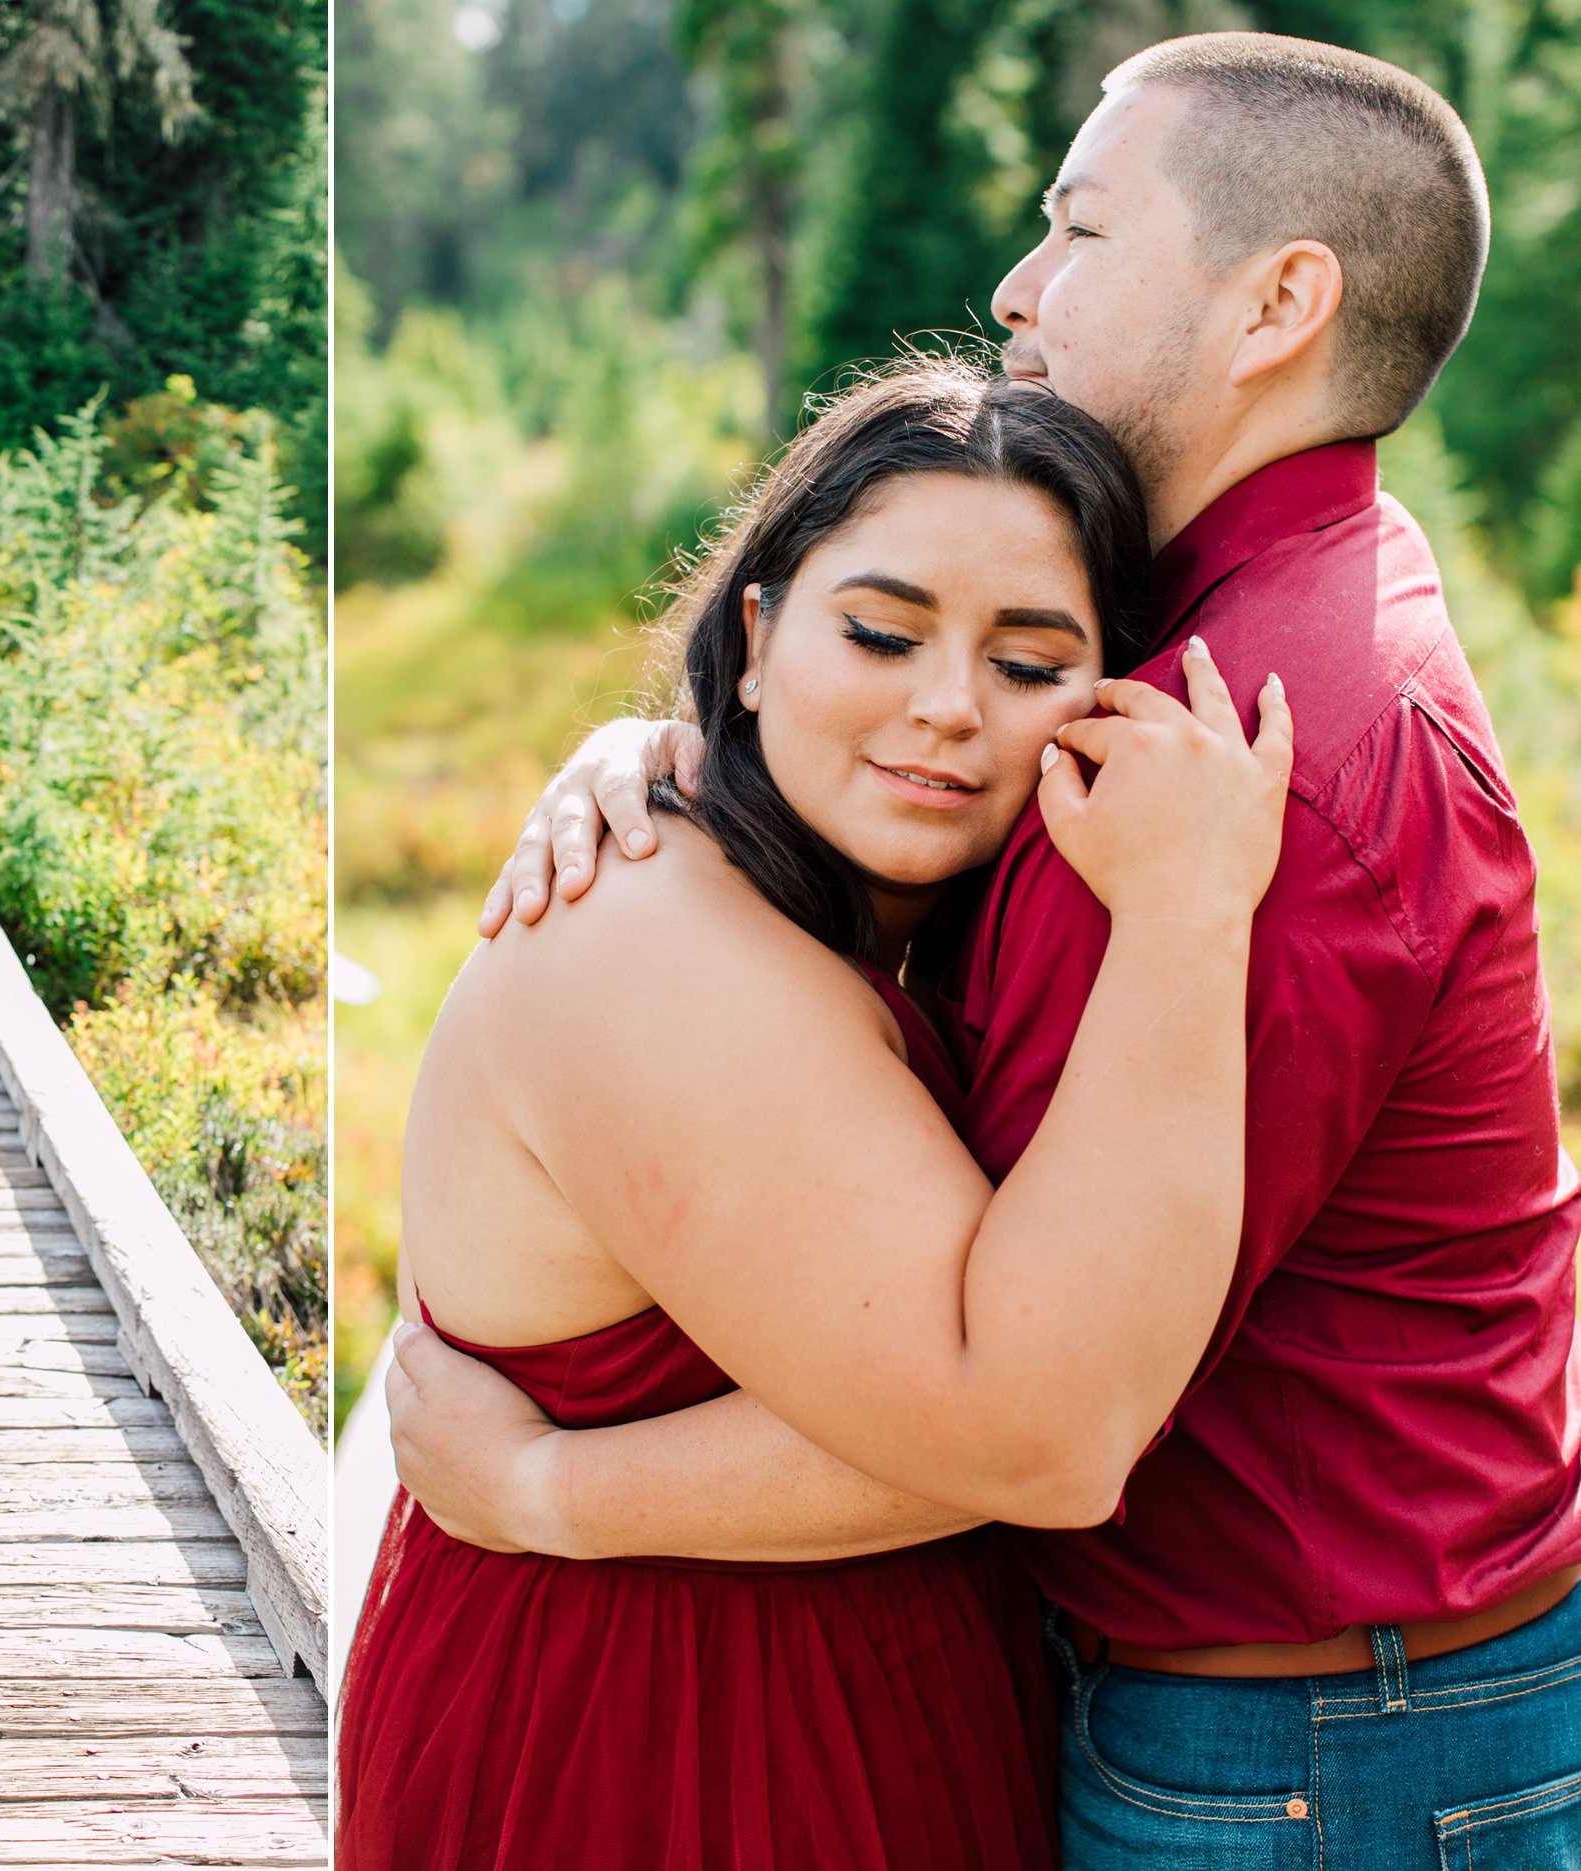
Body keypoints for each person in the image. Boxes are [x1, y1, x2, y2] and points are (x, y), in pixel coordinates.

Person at [393, 32, 1581, 1867]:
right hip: (1190, 1708)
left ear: (1278, 302)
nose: (1019, 288)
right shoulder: (1192, 659)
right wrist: (679, 749)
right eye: (876, 635)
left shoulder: (1248, 756)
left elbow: (1046, 1414)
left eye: (1080, 228)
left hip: (1317, 1741)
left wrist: (542, 1486)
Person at [338, 360, 1296, 1870]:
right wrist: (1190, 909)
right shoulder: (656, 942)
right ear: (761, 631)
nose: (944, 709)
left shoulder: (819, 904)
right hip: (667, 1741)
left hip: (834, 1690)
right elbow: (1041, 1437)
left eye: (1028, 662)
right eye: (880, 630)